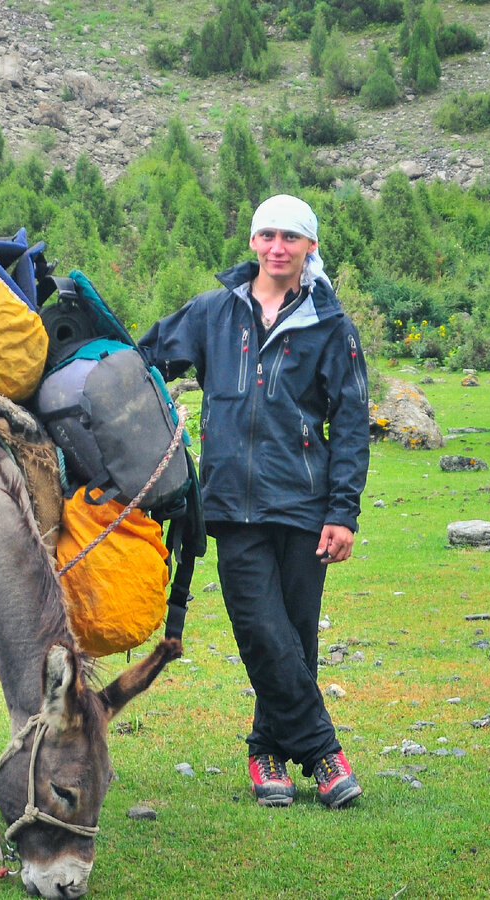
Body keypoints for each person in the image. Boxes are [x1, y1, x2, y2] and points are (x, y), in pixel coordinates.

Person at [138, 194, 369, 810]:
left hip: (303, 503)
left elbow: (348, 423)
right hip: (230, 510)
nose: (277, 247)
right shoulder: (215, 311)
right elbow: (146, 353)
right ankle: (324, 753)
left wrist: (342, 512)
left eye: (290, 238)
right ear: (252, 243)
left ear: (310, 248)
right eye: (267, 235)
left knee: (294, 638)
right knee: (262, 630)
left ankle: (265, 751)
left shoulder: (330, 324)